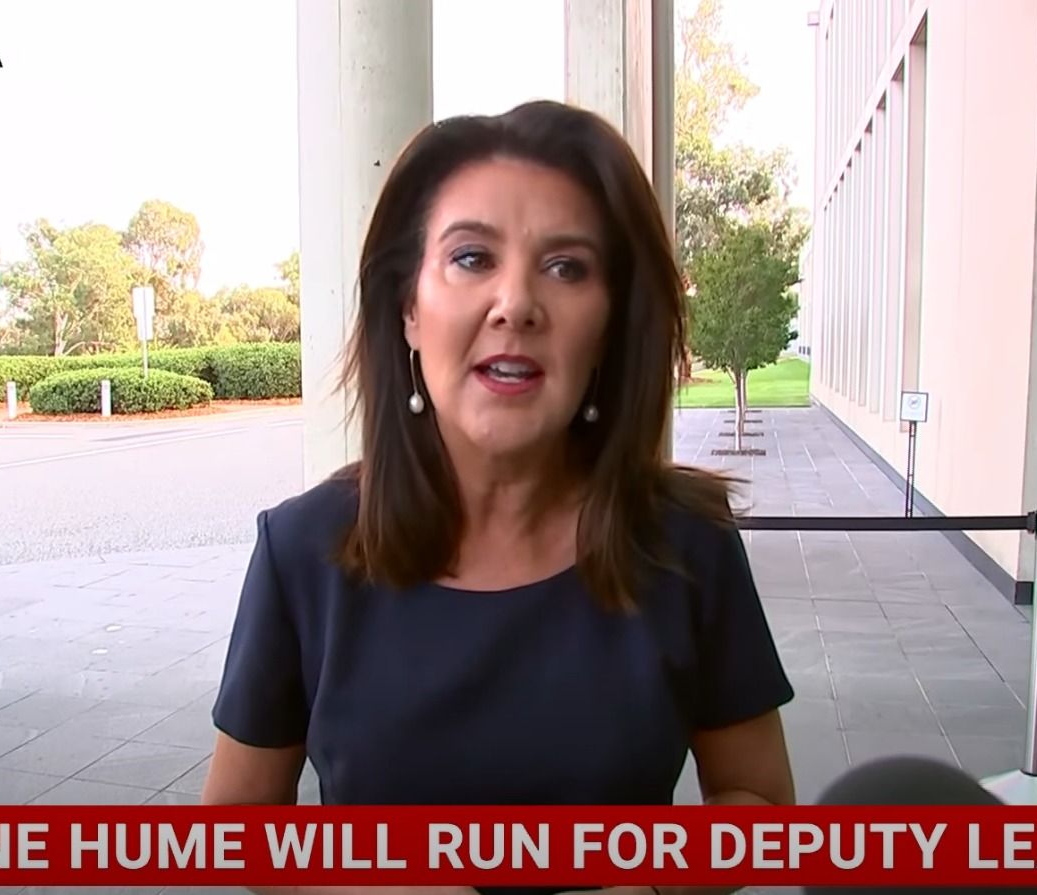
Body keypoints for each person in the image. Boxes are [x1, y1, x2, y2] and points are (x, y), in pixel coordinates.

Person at [202, 99, 797, 895]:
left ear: (610, 325)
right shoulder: (301, 550)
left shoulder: (686, 543)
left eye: (566, 267)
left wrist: (651, 884)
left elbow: (758, 803)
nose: (515, 302)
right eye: (471, 257)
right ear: (408, 309)